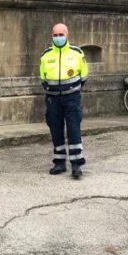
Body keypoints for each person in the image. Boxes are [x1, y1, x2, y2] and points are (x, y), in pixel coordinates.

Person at [39, 23, 89, 178]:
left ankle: (76, 164)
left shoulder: (77, 53)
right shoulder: (46, 55)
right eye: (55, 35)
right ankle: (59, 162)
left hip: (71, 98)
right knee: (55, 129)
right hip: (53, 98)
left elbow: (84, 76)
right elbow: (42, 77)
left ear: (67, 35)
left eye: (61, 35)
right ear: (52, 36)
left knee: (73, 128)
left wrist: (72, 89)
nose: (58, 37)